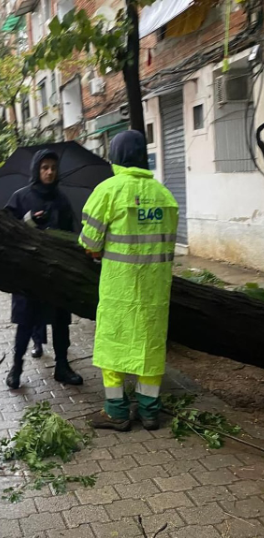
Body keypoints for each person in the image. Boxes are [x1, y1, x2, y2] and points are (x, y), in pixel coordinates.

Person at [79, 130, 178, 432]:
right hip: (155, 291)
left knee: (113, 345)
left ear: (116, 157)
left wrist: (97, 249)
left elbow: (89, 242)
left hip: (119, 288)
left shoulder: (108, 190)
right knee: (150, 347)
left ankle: (117, 413)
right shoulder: (165, 195)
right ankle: (149, 412)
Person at [5, 149, 83, 389]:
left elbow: (72, 233)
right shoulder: (20, 198)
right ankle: (16, 367)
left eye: (53, 167)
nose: (49, 172)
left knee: (61, 321)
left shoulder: (62, 200)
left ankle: (62, 366)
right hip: (29, 273)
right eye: (44, 167)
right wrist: (29, 220)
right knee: (26, 321)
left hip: (57, 272)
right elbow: (4, 228)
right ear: (36, 170)